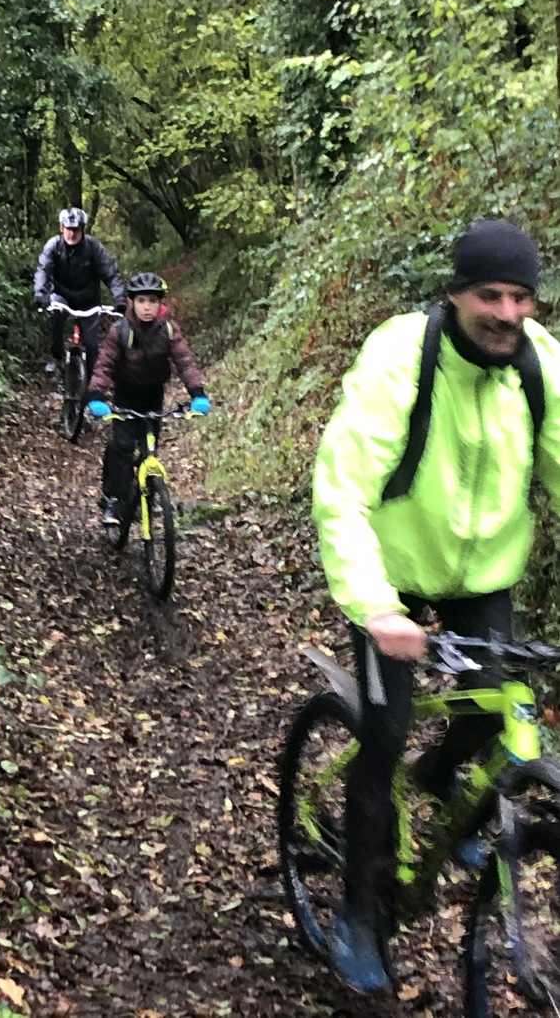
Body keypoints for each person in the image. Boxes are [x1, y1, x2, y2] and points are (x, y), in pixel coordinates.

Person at [312, 218, 560, 994]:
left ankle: (440, 778)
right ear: (454, 294)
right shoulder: (400, 359)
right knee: (383, 740)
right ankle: (357, 913)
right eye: (489, 295)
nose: (506, 313)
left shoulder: (539, 368)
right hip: (391, 574)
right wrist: (376, 607)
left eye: (520, 297)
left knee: (493, 710)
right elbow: (342, 489)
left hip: (482, 576)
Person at [86, 271, 210, 524]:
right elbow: (105, 365)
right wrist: (96, 395)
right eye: (141, 300)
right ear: (131, 302)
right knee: (122, 447)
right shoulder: (119, 331)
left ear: (160, 303)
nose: (147, 307)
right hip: (125, 395)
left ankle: (147, 497)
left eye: (153, 301)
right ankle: (114, 500)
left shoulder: (168, 329)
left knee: (148, 451)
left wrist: (197, 394)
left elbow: (185, 362)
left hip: (153, 395)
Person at [33, 206, 126, 378]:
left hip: (88, 299)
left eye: (76, 229)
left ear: (83, 229)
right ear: (61, 228)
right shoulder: (54, 246)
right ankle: (56, 357)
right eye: (68, 229)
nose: (72, 233)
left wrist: (120, 299)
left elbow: (111, 273)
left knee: (91, 346)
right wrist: (40, 293)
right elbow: (43, 270)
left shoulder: (93, 247)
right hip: (62, 295)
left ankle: (90, 385)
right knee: (55, 314)